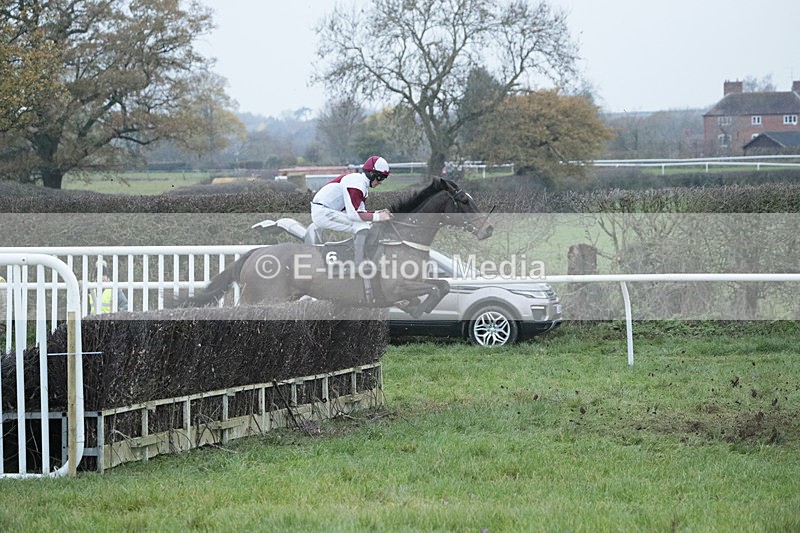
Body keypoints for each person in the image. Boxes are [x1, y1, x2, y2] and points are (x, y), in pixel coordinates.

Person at [310, 155, 393, 265]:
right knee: (361, 226)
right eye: (380, 178)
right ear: (371, 174)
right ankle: (358, 264)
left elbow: (361, 213)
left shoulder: (361, 184)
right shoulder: (356, 184)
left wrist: (378, 213)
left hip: (326, 211)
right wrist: (378, 217)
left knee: (366, 224)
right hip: (322, 212)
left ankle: (363, 257)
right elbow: (354, 215)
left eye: (384, 178)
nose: (381, 182)